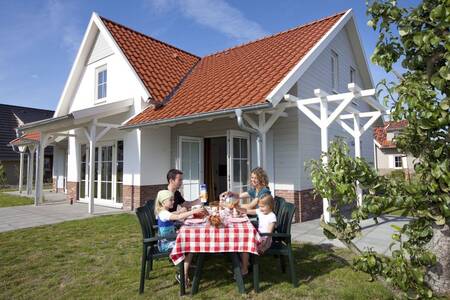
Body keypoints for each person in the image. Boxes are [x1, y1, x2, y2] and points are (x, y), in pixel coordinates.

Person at [154, 189, 205, 287]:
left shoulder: (163, 211)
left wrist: (179, 211)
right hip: (166, 243)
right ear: (163, 202)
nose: (173, 202)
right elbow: (177, 217)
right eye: (171, 200)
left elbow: (174, 214)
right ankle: (183, 274)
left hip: (168, 238)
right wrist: (193, 211)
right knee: (190, 246)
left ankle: (185, 269)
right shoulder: (164, 213)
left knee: (191, 244)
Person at [235, 195, 276, 275]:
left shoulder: (272, 216)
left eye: (263, 207)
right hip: (259, 236)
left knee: (244, 245)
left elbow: (269, 233)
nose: (260, 208)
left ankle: (244, 269)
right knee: (240, 241)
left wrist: (263, 245)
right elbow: (246, 211)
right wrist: (237, 207)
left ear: (270, 206)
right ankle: (246, 263)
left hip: (265, 240)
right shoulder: (261, 211)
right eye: (259, 206)